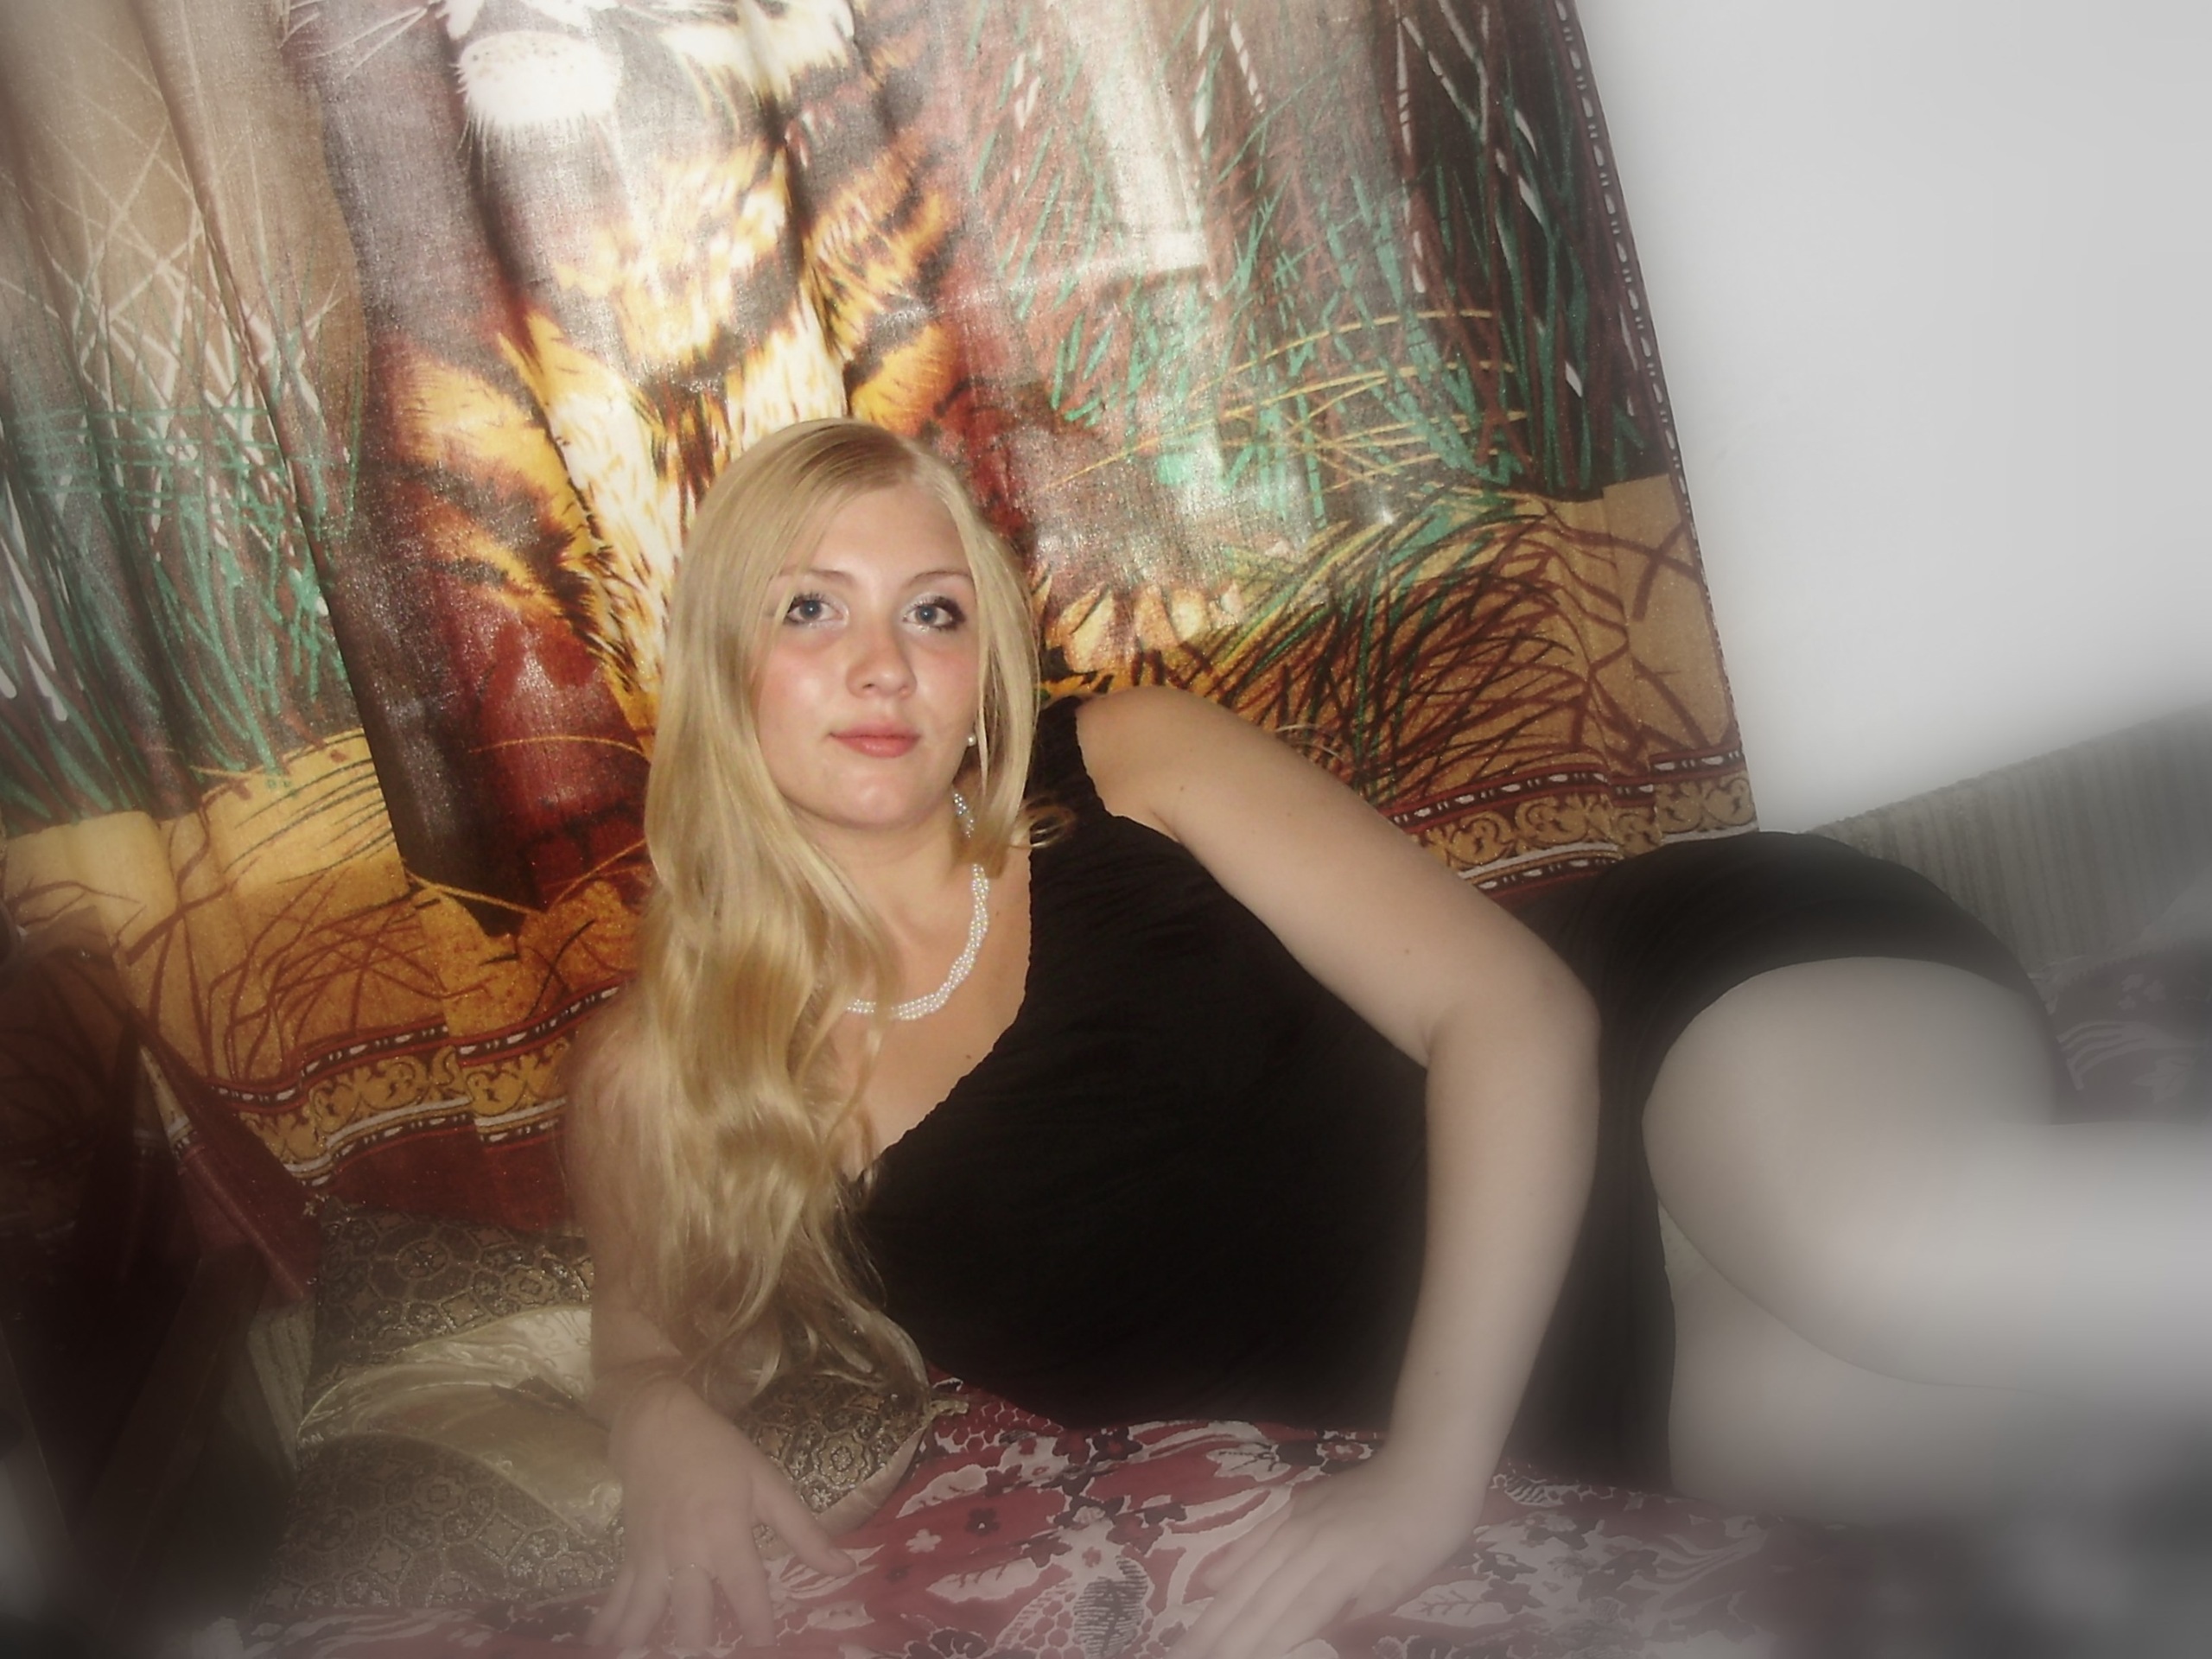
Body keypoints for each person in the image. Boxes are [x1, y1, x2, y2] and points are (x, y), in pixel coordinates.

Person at [566, 419, 2212, 1656]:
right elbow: (641, 1336)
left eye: (933, 613)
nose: (882, 666)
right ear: (722, 664)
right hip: (1586, 1373)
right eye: (812, 608)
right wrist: (661, 1427)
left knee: (1885, 1249)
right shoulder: (666, 1075)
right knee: (2097, 1448)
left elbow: (1512, 1010)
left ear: (984, 661)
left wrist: (1429, 1475)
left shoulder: (1126, 764)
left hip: (1681, 1037)